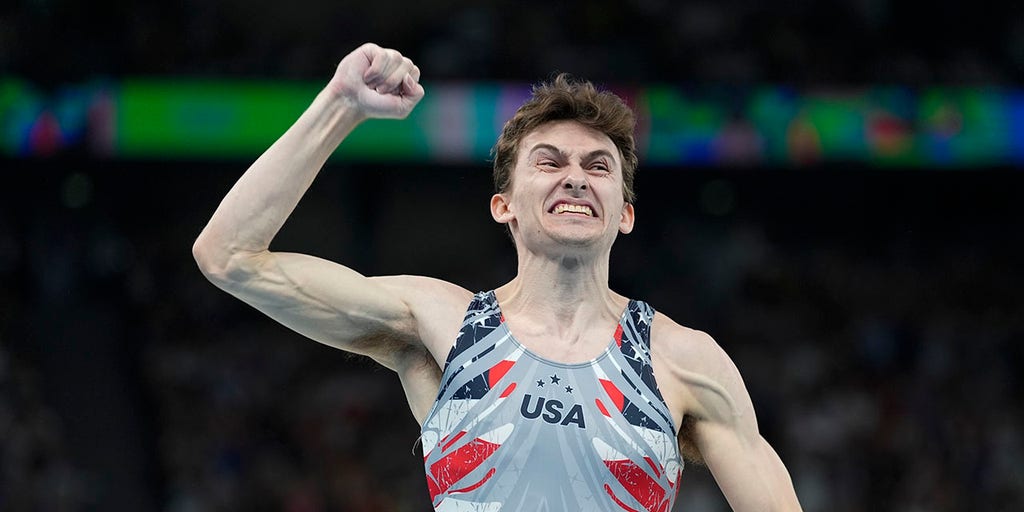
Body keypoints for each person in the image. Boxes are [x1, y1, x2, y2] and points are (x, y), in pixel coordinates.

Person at [193, 42, 803, 511]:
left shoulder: (687, 360)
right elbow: (229, 257)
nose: (575, 177)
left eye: (598, 166)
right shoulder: (439, 324)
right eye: (549, 162)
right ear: (503, 205)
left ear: (626, 214)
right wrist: (340, 105)